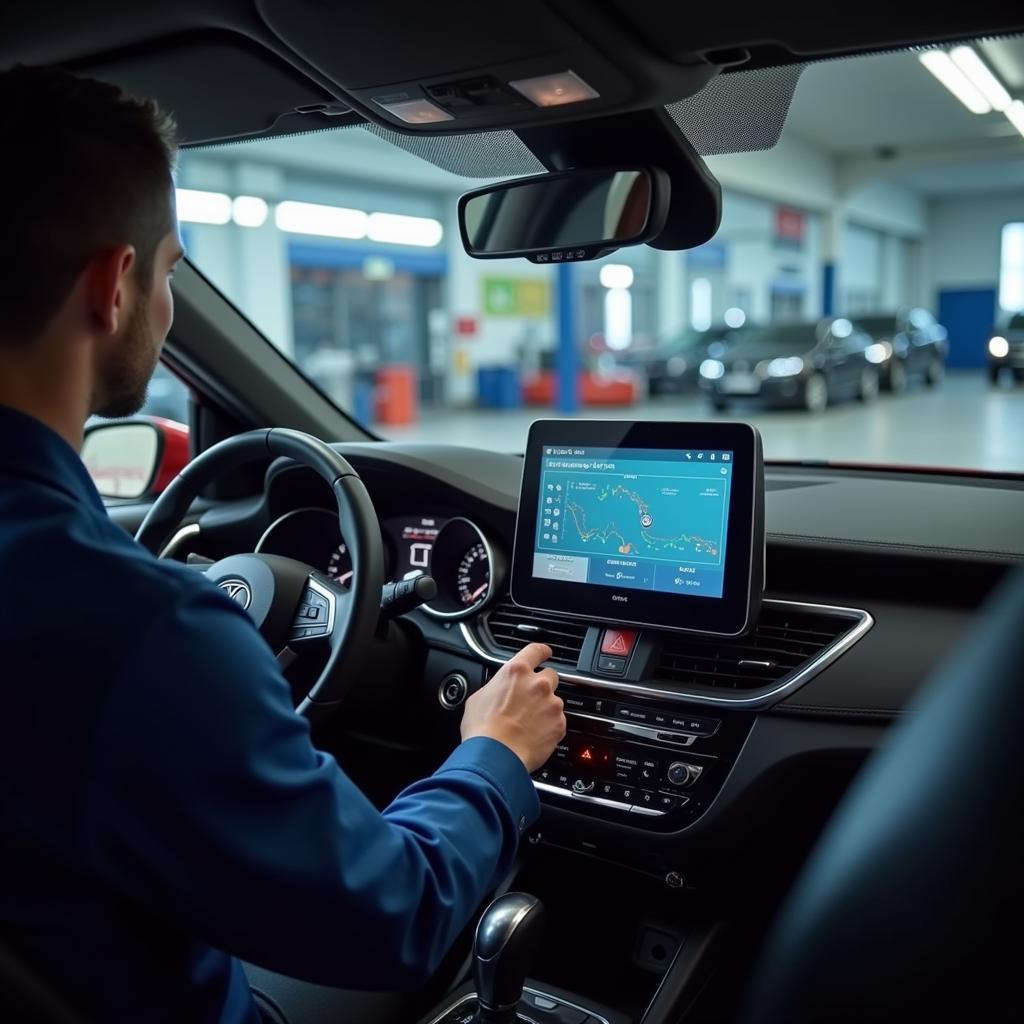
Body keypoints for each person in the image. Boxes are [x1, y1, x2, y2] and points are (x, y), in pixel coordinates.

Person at [0, 65, 565, 1023]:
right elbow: (398, 913)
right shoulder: (151, 635)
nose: (167, 304)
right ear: (113, 287)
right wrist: (495, 752)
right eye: (172, 274)